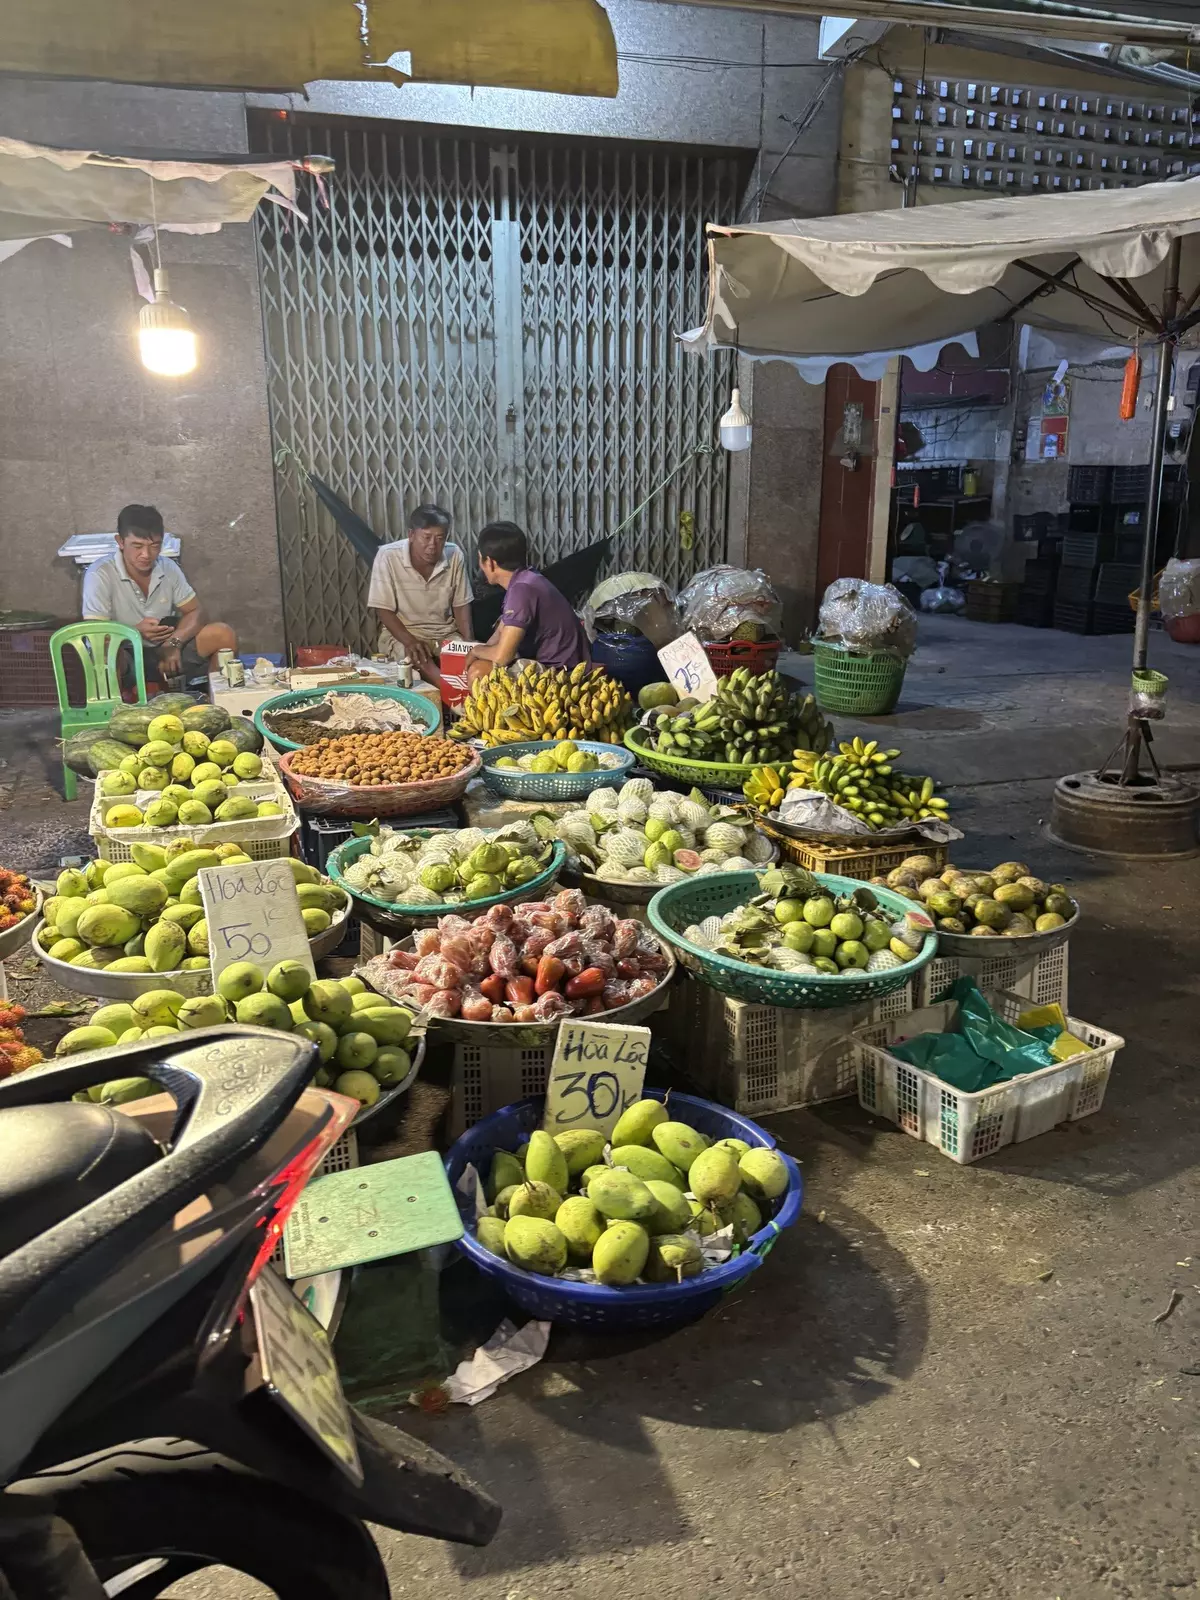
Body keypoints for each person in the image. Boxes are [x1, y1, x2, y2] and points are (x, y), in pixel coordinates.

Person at [81, 505, 237, 686]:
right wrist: (134, 632)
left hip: (164, 650)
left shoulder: (168, 567)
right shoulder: (99, 574)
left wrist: (174, 643)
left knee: (223, 635)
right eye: (137, 546)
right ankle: (117, 712)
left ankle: (216, 704)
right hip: (126, 653)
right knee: (106, 653)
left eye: (154, 546)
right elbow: (95, 634)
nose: (146, 555)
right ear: (120, 542)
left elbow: (197, 612)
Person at [466, 522, 590, 681]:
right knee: (484, 660)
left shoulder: (521, 591)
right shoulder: (525, 579)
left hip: (562, 673)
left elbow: (501, 657)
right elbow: (500, 632)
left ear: (489, 562)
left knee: (479, 672)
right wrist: (480, 650)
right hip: (563, 663)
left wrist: (476, 651)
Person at [367, 504, 474, 686]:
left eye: (440, 538)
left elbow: (461, 605)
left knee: (468, 661)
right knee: (413, 656)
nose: (432, 545)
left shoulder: (454, 554)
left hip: (444, 633)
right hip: (404, 634)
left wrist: (470, 644)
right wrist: (410, 641)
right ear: (411, 535)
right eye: (426, 537)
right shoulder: (387, 556)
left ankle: (457, 698)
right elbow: (383, 609)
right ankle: (450, 692)